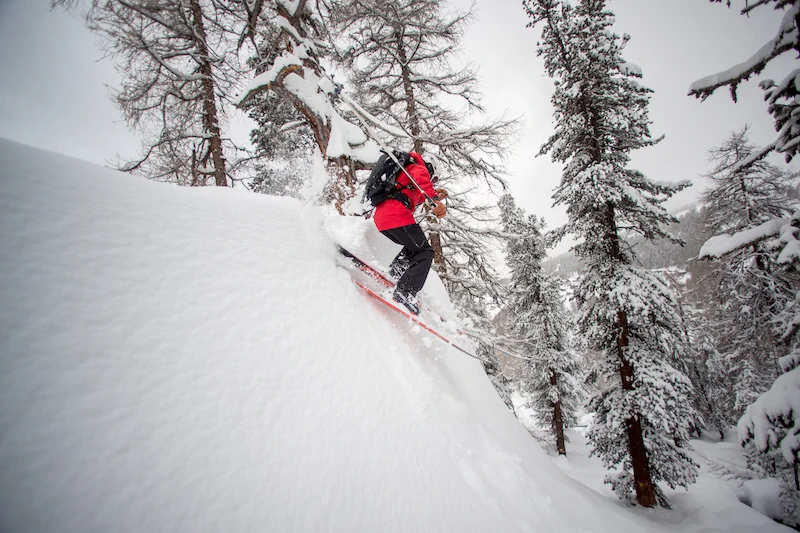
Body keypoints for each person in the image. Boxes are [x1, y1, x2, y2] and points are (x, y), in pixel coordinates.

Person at [373, 152, 448, 315]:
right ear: (430, 168)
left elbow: (415, 193)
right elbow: (422, 180)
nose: (432, 182)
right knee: (426, 252)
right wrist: (434, 198)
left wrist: (434, 194)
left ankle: (395, 275)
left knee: (413, 249)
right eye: (433, 178)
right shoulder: (418, 167)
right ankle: (405, 292)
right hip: (396, 216)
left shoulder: (406, 174)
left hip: (383, 218)